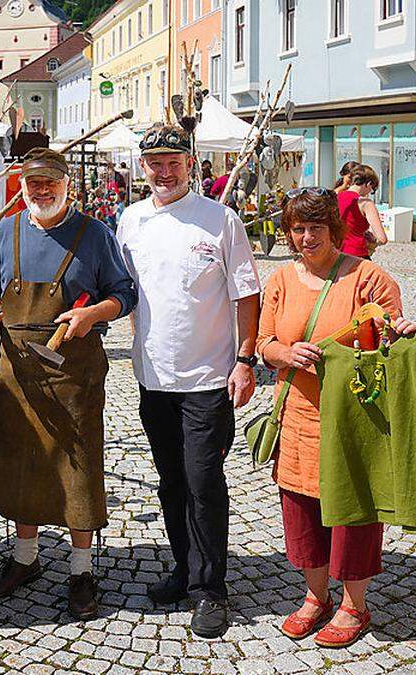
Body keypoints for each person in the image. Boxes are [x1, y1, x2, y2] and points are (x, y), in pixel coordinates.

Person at [0, 148, 136, 620]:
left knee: (76, 469)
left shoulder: (95, 234)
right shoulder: (6, 232)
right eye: (33, 182)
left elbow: (124, 294)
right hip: (16, 371)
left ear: (67, 185)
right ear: (22, 184)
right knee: (22, 464)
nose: (42, 191)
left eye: (50, 183)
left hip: (74, 373)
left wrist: (92, 313)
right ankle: (25, 559)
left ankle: (82, 571)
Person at [117, 124, 262, 639]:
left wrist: (245, 359)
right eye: (155, 161)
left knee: (204, 483)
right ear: (143, 166)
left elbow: (247, 294)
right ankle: (183, 568)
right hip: (153, 375)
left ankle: (210, 589)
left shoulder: (220, 220)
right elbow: (125, 289)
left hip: (208, 376)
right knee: (170, 481)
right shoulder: (129, 220)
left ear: (191, 163)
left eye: (173, 160)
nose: (164, 170)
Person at [255, 187, 404, 649]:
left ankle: (354, 604)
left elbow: (392, 343)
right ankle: (314, 596)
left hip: (353, 420)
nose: (305, 237)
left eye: (315, 228)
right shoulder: (280, 280)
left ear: (335, 229)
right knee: (302, 512)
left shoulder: (368, 277)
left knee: (353, 512)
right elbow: (263, 344)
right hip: (298, 416)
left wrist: (381, 338)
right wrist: (285, 351)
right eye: (297, 229)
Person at [337, 165, 388, 258]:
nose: (369, 192)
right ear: (368, 184)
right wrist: (373, 240)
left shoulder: (337, 198)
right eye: (372, 189)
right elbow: (382, 238)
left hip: (336, 253)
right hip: (357, 253)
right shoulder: (365, 203)